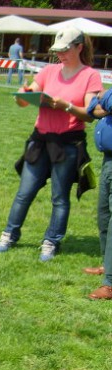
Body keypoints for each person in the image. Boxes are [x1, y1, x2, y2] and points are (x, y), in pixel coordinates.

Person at [0, 27, 102, 261]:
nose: (60, 55)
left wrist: (66, 106)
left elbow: (90, 114)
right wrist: (23, 95)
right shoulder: (48, 71)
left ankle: (51, 241)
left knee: (59, 197)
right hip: (40, 140)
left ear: (79, 47)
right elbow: (26, 98)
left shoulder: (90, 75)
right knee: (24, 192)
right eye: (57, 51)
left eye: (65, 50)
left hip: (68, 144)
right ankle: (9, 234)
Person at [83, 88, 112, 299]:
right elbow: (92, 110)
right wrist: (100, 103)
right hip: (108, 160)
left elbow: (104, 101)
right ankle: (107, 264)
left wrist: (103, 98)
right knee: (104, 216)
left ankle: (110, 284)